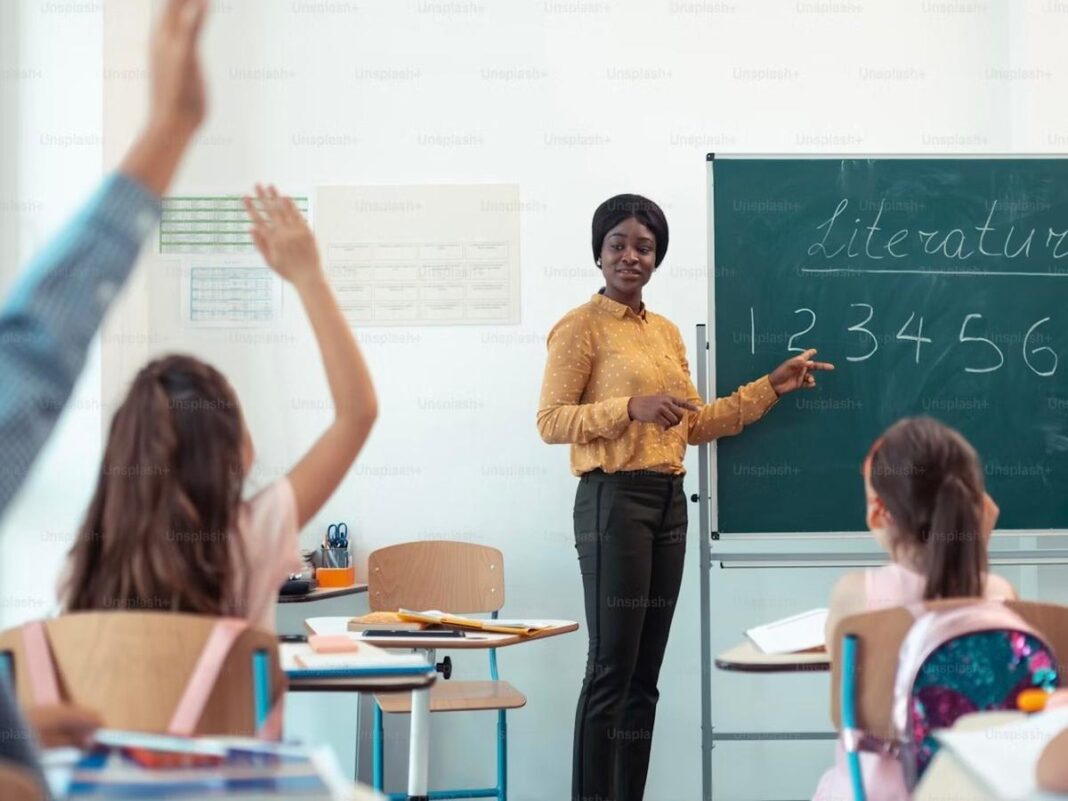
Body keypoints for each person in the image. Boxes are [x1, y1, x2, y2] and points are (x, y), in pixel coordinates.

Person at [537, 193, 834, 801]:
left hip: (670, 504)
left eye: (644, 247)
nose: (630, 256)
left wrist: (770, 388)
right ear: (598, 253)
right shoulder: (580, 327)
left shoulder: (667, 334)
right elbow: (550, 421)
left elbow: (694, 426)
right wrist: (628, 408)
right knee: (611, 671)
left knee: (645, 678)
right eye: (618, 244)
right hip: (612, 502)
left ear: (657, 258)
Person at [0, 0, 210, 789]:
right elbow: (29, 360)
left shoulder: (70, 576)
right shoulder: (262, 532)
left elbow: (29, 360)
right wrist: (167, 134)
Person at [61, 185, 377, 633]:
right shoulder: (249, 541)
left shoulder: (83, 572)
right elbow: (357, 414)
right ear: (230, 451)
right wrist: (309, 278)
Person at [813, 416, 1015, 801]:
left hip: (873, 792)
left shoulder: (855, 595)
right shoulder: (1000, 594)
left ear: (877, 513)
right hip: (974, 790)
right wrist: (974, 551)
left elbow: (843, 707)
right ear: (979, 509)